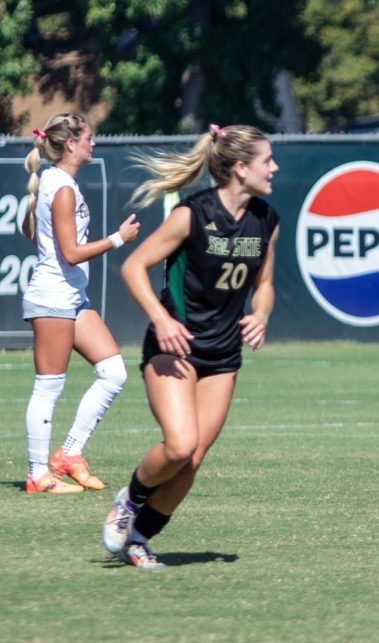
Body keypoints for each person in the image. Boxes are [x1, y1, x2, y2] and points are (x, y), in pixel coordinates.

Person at [101, 124, 280, 568]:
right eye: (266, 160)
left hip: (222, 356)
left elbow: (267, 284)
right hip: (173, 346)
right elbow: (134, 267)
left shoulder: (267, 220)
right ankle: (130, 499)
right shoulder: (191, 213)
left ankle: (139, 540)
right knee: (179, 446)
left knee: (193, 458)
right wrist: (161, 319)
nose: (274, 167)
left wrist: (260, 315)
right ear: (240, 168)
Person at [20, 113, 140, 494]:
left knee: (114, 372)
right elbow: (71, 253)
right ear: (71, 143)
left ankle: (68, 455)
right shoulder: (63, 186)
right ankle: (39, 475)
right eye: (89, 137)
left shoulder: (56, 182)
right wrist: (118, 239)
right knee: (49, 387)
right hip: (54, 297)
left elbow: (30, 230)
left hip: (73, 297)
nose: (94, 143)